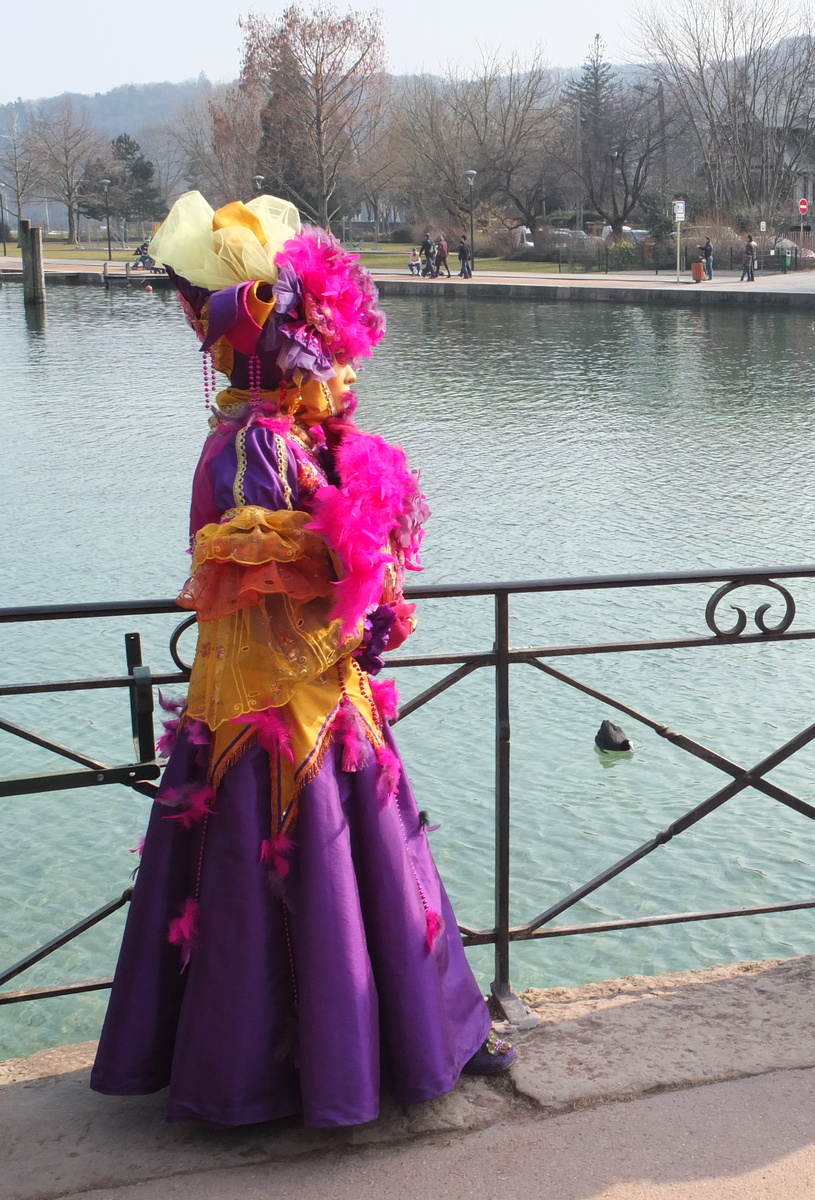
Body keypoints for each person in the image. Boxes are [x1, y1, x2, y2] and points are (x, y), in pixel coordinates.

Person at [90, 191, 514, 1127]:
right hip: (279, 710)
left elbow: (322, 564)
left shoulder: (268, 441)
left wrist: (370, 568)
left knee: (336, 872)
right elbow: (268, 571)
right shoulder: (255, 446)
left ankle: (365, 1050)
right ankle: (314, 1067)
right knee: (315, 877)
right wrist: (363, 573)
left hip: (303, 703)